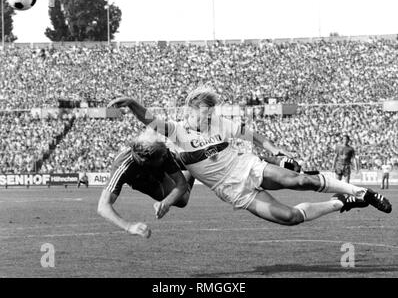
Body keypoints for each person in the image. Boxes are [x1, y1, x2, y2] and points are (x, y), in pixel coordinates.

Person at [108, 88, 391, 228]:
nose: (209, 117)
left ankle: (362, 191)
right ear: (192, 110)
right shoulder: (178, 132)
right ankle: (342, 201)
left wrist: (275, 150)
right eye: (205, 113)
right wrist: (132, 103)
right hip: (234, 192)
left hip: (248, 167)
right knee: (289, 217)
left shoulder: (220, 123)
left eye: (211, 113)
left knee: (299, 180)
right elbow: (151, 120)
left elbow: (252, 135)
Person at [97, 131, 194, 238]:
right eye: (161, 158)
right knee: (182, 201)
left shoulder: (163, 153)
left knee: (183, 196)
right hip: (144, 182)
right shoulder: (122, 166)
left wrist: (166, 202)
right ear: (146, 161)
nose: (164, 158)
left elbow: (182, 184)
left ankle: (192, 164)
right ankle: (191, 166)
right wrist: (129, 227)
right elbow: (103, 206)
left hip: (159, 172)